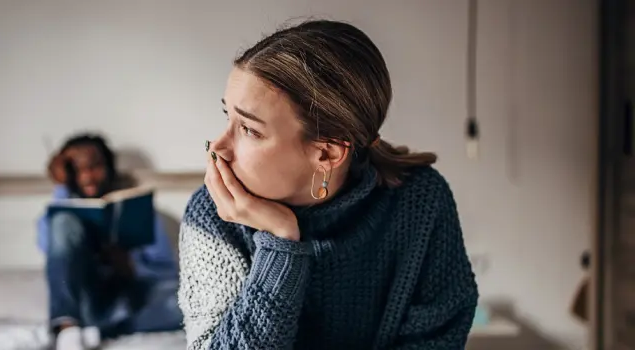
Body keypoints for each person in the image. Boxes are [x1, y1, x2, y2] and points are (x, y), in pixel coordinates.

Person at [177, 19, 479, 349]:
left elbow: (438, 340)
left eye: (249, 129)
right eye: (227, 117)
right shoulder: (212, 215)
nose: (217, 147)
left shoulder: (420, 202)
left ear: (326, 153)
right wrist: (281, 244)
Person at [37, 133, 183, 349]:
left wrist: (132, 267)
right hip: (89, 296)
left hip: (132, 296)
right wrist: (62, 187)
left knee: (185, 301)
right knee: (62, 222)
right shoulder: (58, 216)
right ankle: (68, 328)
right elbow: (53, 255)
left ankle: (96, 329)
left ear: (109, 167)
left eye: (94, 166)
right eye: (76, 169)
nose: (87, 176)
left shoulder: (142, 212)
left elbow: (167, 270)